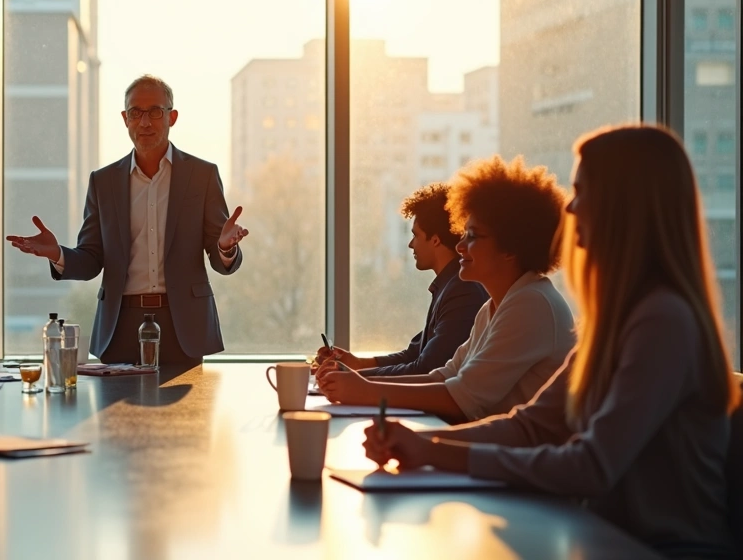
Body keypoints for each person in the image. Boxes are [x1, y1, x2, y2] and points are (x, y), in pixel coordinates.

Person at [363, 124, 740, 559]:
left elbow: (591, 466)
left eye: (583, 192)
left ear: (625, 207)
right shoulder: (617, 319)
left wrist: (434, 452)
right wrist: (423, 446)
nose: (572, 208)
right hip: (603, 538)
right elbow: (531, 426)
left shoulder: (664, 321)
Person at [6, 75, 248, 366]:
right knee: (116, 411)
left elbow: (220, 259)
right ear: (125, 118)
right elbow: (92, 259)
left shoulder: (202, 175)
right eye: (135, 112)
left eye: (155, 111)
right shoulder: (103, 182)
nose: (144, 122)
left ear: (172, 117)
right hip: (120, 325)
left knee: (186, 413)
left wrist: (225, 247)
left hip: (184, 323)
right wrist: (57, 253)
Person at [318, 155, 574, 423]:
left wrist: (364, 389)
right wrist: (353, 380)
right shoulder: (495, 306)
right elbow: (443, 376)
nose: (460, 246)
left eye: (473, 236)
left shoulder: (531, 305)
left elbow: (462, 398)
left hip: (520, 458)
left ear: (511, 247)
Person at [315, 183, 487, 376]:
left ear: (435, 239)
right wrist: (356, 363)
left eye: (416, 235)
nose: (411, 244)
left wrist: (350, 376)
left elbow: (426, 369)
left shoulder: (462, 291)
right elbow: (414, 354)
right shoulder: (449, 285)